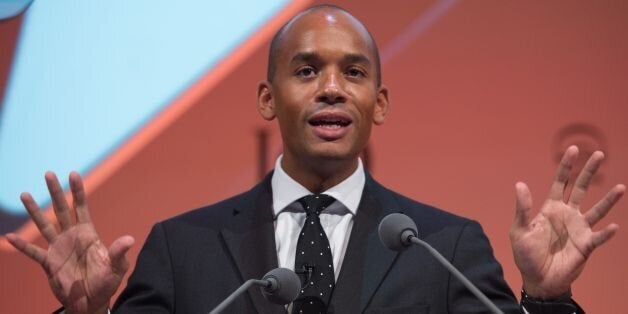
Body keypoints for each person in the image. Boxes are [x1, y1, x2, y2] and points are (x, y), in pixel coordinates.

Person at [5, 5, 624, 314]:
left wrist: (545, 300)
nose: (332, 88)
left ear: (378, 104)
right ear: (268, 98)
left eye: (353, 73)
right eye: (307, 70)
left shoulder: (447, 248)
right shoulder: (180, 249)